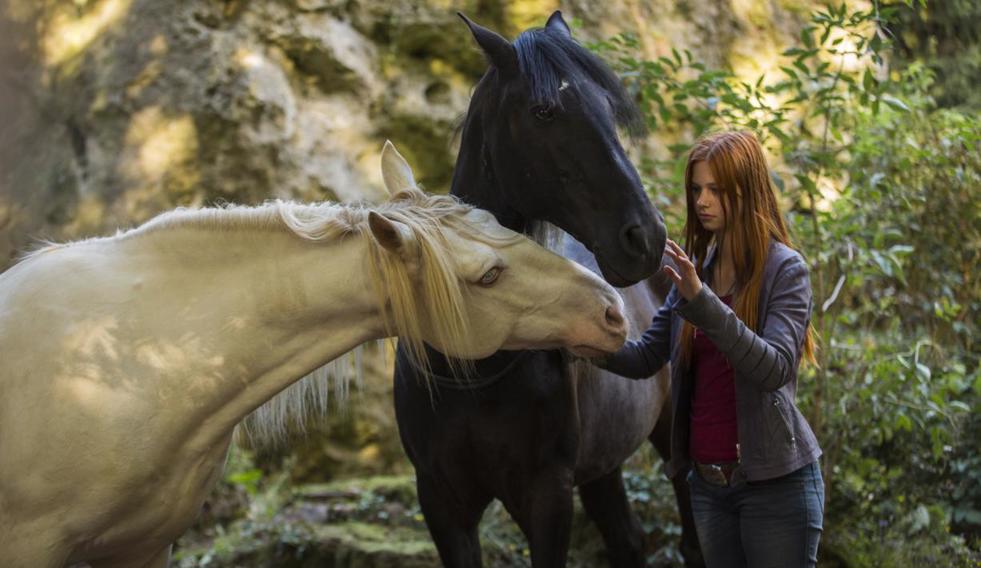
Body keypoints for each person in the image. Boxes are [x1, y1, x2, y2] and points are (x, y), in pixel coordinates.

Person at [595, 130, 824, 567]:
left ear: (748, 190)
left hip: (776, 489)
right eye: (697, 189)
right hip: (708, 491)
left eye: (716, 190)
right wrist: (580, 343)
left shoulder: (785, 270)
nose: (702, 201)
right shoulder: (697, 272)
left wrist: (702, 302)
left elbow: (774, 368)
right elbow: (645, 357)